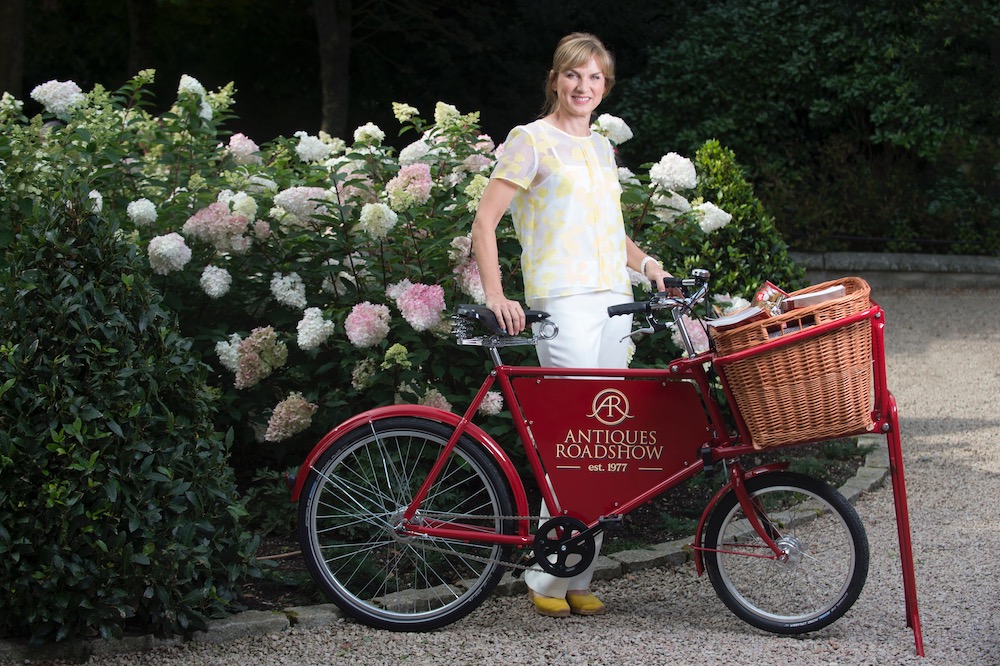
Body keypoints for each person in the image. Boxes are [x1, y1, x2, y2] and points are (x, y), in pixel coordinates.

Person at [470, 32, 674, 618]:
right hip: (562, 302)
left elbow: (610, 233)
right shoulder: (529, 141)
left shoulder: (602, 148)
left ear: (604, 87)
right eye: (574, 76)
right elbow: (485, 223)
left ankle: (575, 572)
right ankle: (544, 577)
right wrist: (497, 295)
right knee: (572, 436)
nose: (584, 88)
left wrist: (649, 266)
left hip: (615, 301)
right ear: (556, 80)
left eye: (596, 79)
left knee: (605, 442)